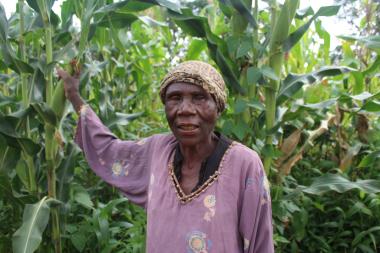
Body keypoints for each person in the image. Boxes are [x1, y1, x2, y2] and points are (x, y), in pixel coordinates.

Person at [57, 60, 274, 253]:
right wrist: (74, 97)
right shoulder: (157, 151)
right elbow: (110, 151)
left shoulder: (244, 164)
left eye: (199, 98)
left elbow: (260, 244)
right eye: (175, 98)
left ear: (218, 108)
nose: (185, 109)